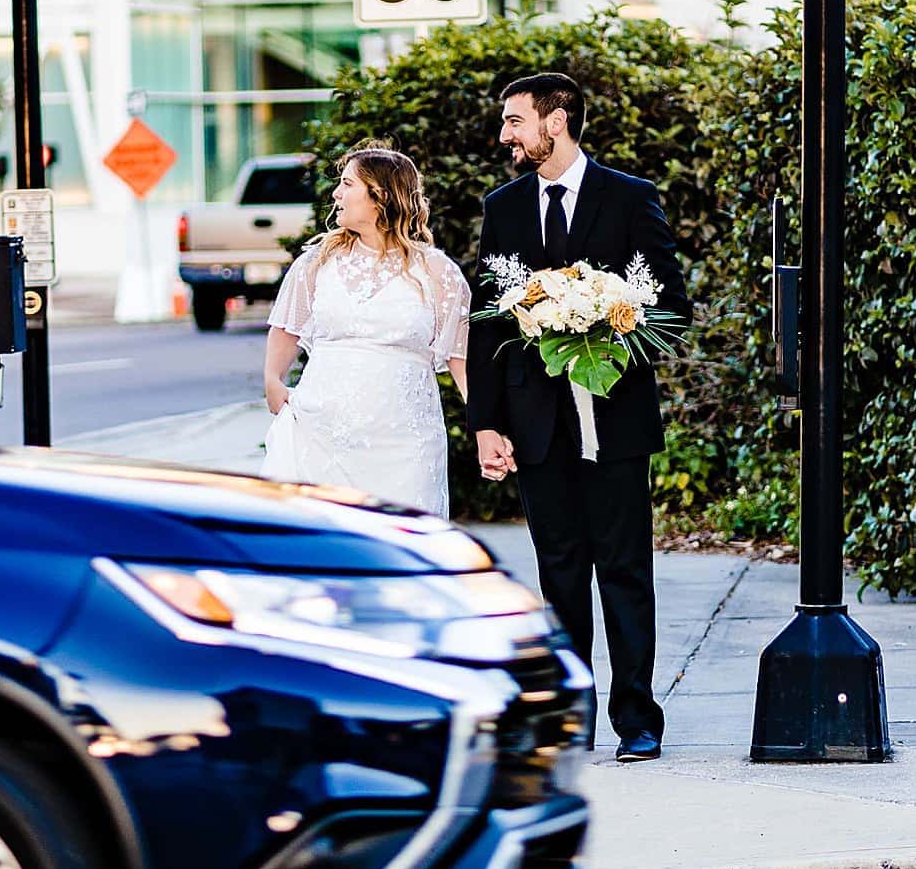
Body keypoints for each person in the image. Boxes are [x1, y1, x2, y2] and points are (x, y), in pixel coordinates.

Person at [467, 73, 693, 757]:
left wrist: (606, 314)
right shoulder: (502, 207)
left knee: (625, 571)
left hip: (614, 421)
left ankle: (638, 720)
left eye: (514, 122)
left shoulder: (630, 198)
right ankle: (569, 719)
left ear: (555, 122)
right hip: (538, 426)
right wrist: (484, 422)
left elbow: (672, 310)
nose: (505, 135)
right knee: (557, 575)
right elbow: (485, 325)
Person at [259, 144, 471, 517]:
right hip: (318, 430)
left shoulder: (438, 272)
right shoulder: (315, 263)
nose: (336, 194)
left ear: (381, 195)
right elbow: (286, 327)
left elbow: (461, 357)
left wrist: (487, 427)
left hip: (405, 441)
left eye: (347, 184)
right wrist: (273, 381)